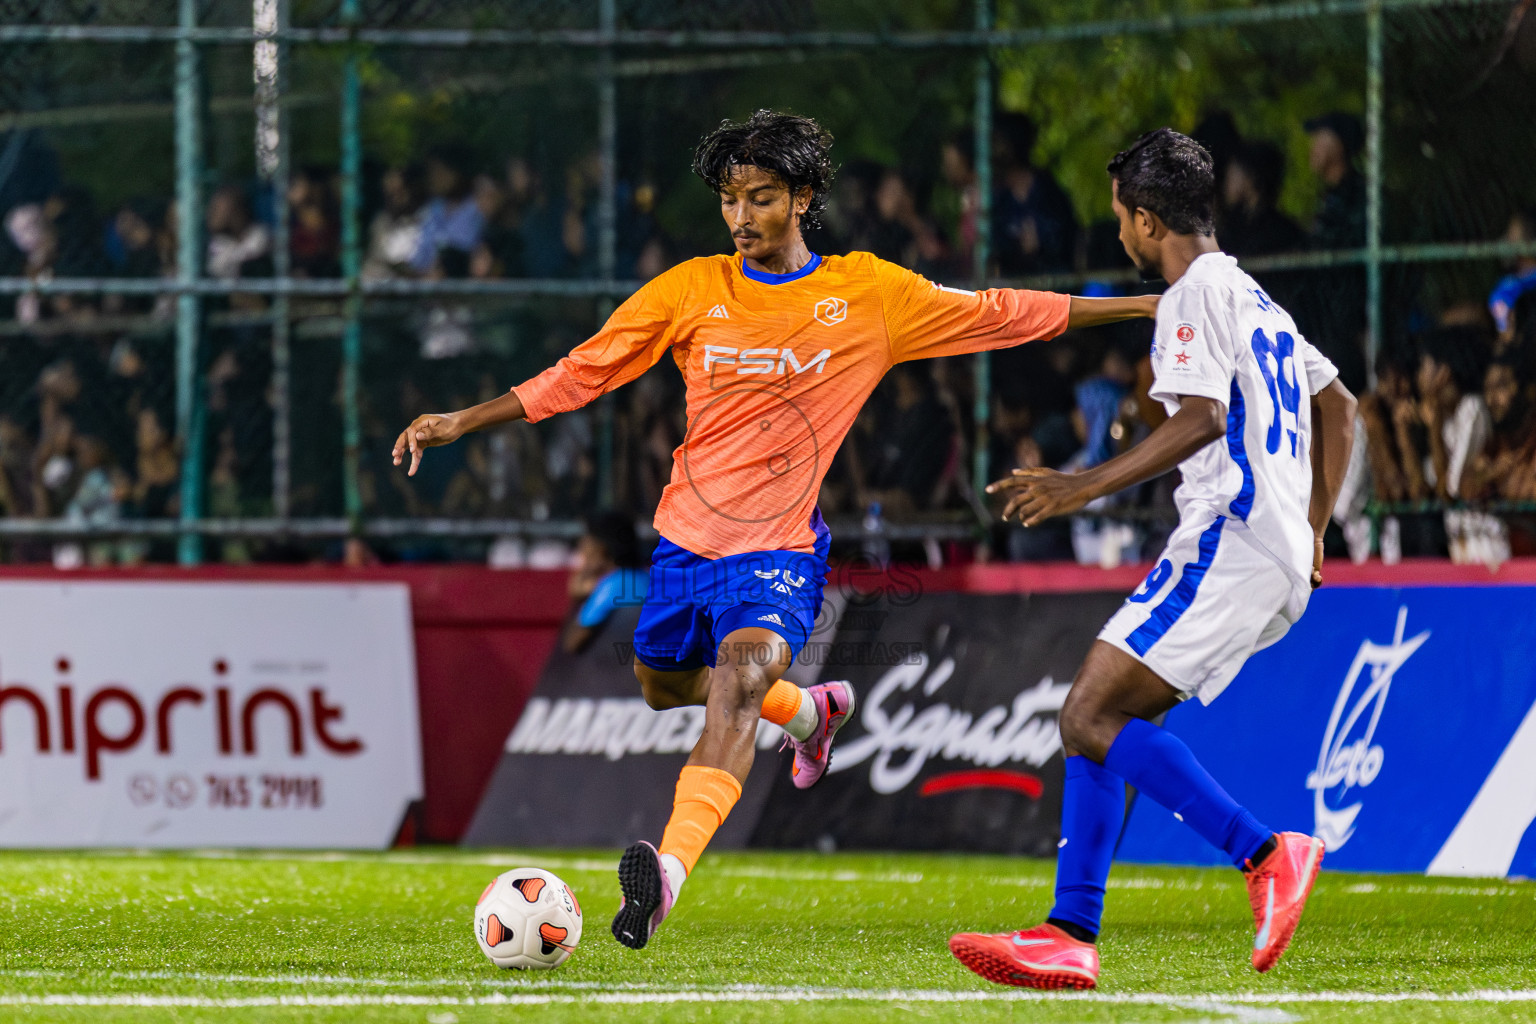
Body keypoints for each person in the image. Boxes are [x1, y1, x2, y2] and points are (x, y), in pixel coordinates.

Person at [392, 109, 1156, 952]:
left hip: (778, 551)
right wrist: (463, 419)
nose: (740, 218)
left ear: (802, 198)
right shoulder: (692, 290)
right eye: (728, 200)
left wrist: (1145, 305)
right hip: (685, 542)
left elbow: (1003, 310)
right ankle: (811, 715)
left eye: (759, 198)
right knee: (658, 684)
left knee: (736, 686)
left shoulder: (870, 294)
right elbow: (587, 369)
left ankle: (666, 877)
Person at [955, 128, 1357, 990]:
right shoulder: (1258, 301)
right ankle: (1071, 930)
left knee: (1086, 716)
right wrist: (1315, 528)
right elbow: (1344, 410)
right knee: (1114, 723)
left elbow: (1203, 419)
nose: (1121, 235)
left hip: (1231, 538)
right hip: (1274, 553)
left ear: (1144, 220)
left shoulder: (1187, 297)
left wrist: (1081, 485)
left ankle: (1265, 853)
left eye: (1120, 219)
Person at [562, 511, 650, 654]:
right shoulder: (646, 577)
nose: (581, 544)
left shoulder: (611, 588)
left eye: (587, 539)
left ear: (601, 549)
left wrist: (579, 598)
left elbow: (572, 644)